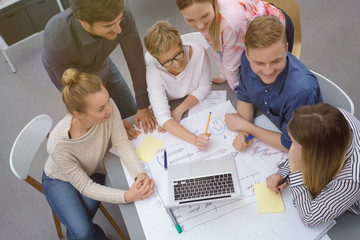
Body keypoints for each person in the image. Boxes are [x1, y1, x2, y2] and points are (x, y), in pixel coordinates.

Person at [41, 68, 154, 239]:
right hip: (59, 178)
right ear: (78, 114)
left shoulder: (109, 106)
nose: (110, 110)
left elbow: (121, 143)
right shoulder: (57, 145)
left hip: (93, 169)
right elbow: (85, 187)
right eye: (101, 109)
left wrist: (139, 174)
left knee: (81, 232)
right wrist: (126, 196)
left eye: (108, 101)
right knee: (83, 232)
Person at [42, 0, 157, 139]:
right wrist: (110, 125)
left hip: (101, 62)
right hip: (71, 74)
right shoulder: (57, 38)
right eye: (108, 25)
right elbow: (77, 96)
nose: (119, 30)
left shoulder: (121, 14)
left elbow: (136, 62)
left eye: (119, 20)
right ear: (83, 22)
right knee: (98, 119)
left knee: (131, 111)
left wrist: (143, 107)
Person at [224, 16, 322, 152]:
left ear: (286, 49)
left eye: (276, 61)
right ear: (247, 54)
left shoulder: (301, 91)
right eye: (259, 63)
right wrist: (243, 133)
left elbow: (291, 145)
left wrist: (246, 127)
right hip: (273, 128)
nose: (268, 71)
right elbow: (245, 97)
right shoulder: (247, 62)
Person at [266, 103, 360, 226]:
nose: (292, 149)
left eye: (295, 145)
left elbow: (309, 218)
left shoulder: (352, 178)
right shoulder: (331, 118)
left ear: (316, 154)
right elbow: (304, 144)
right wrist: (284, 171)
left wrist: (295, 169)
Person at [176, 0, 294, 90]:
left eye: (204, 16)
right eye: (190, 20)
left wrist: (238, 89)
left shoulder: (231, 24)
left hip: (276, 26)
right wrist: (224, 75)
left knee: (275, 74)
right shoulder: (206, 18)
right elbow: (216, 47)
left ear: (213, 3)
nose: (200, 25)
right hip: (251, 26)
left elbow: (231, 64)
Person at [143, 21, 211, 150]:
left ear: (180, 41)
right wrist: (195, 140)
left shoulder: (199, 52)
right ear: (156, 58)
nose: (176, 64)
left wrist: (179, 110)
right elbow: (162, 117)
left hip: (187, 106)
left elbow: (204, 87)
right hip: (171, 103)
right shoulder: (153, 70)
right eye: (167, 61)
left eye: (178, 54)